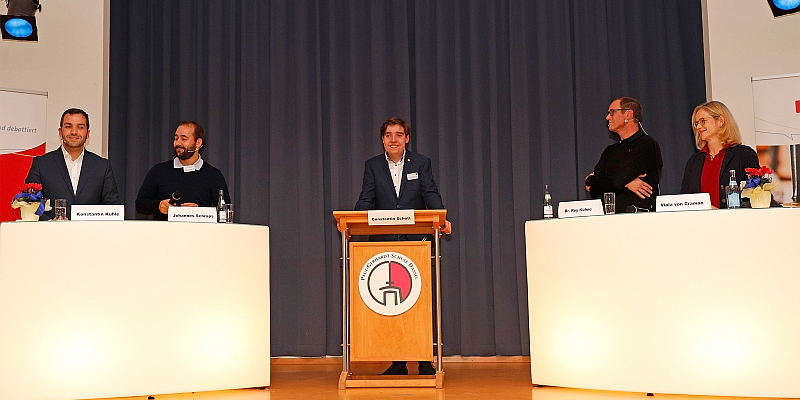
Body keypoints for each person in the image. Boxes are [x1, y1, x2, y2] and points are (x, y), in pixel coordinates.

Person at [354, 117, 452, 376]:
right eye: (388, 135)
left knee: (418, 300)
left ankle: (422, 361)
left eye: (399, 135)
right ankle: (397, 362)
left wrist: (440, 217)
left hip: (415, 241)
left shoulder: (421, 163)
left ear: (407, 138)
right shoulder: (373, 166)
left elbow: (430, 193)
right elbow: (367, 198)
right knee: (391, 304)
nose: (394, 139)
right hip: (384, 243)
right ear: (382, 139)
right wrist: (353, 219)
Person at [25, 108, 120, 220]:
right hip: (51, 234)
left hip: (91, 235)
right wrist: (49, 222)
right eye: (68, 126)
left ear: (88, 133)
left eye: (80, 127)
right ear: (60, 132)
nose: (74, 132)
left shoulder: (102, 166)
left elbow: (111, 205)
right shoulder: (41, 164)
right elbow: (29, 204)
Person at [135, 121, 230, 220]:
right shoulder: (158, 171)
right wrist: (158, 206)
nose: (178, 143)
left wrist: (201, 212)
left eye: (184, 139)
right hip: (164, 233)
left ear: (198, 143)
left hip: (200, 234)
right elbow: (140, 204)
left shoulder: (213, 175)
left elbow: (225, 212)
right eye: (176, 138)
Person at [585, 97, 663, 212]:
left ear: (628, 114)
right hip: (609, 221)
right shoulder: (610, 151)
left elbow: (615, 180)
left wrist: (595, 180)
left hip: (639, 220)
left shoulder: (646, 145)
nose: (607, 117)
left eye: (612, 112)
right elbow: (592, 190)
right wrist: (627, 183)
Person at [680, 101, 760, 208]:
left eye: (703, 121)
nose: (698, 127)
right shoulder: (694, 161)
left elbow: (757, 196)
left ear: (721, 121)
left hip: (735, 222)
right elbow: (684, 198)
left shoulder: (745, 155)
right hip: (701, 223)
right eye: (696, 123)